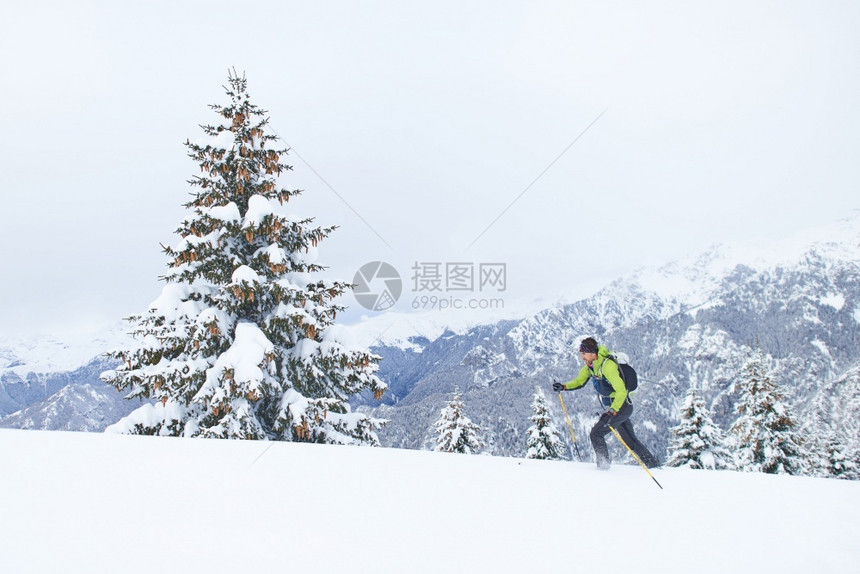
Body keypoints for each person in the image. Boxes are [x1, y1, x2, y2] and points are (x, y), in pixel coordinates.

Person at [553, 337, 659, 470]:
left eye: (584, 354)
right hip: (617, 407)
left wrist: (612, 411)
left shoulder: (608, 366)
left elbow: (621, 390)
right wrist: (563, 386)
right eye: (581, 354)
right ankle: (653, 465)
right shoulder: (591, 367)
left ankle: (603, 467)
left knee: (596, 434)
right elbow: (579, 382)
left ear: (592, 353)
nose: (582, 357)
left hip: (621, 406)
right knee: (630, 440)